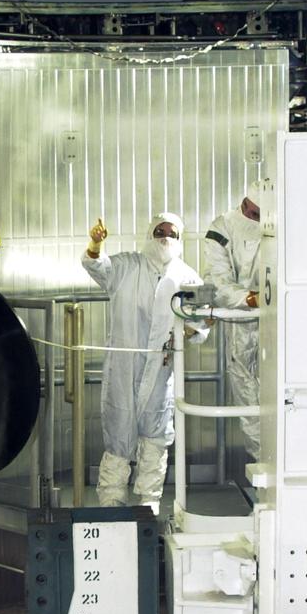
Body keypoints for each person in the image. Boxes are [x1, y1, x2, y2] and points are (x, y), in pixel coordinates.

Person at [82, 212, 208, 513]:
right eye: (159, 231)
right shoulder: (128, 265)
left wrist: (189, 330)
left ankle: (148, 505)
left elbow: (201, 319)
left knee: (155, 437)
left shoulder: (187, 277)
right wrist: (95, 244)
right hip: (123, 367)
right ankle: (112, 504)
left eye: (172, 233)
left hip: (161, 370)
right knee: (118, 434)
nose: (165, 237)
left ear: (179, 239)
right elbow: (98, 267)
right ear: (149, 233)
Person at [203, 183, 262, 462]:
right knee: (249, 397)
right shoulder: (223, 227)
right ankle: (265, 466)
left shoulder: (288, 217)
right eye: (252, 212)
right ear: (244, 204)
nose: (256, 218)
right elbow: (217, 281)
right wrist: (252, 299)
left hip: (284, 323)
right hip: (242, 323)